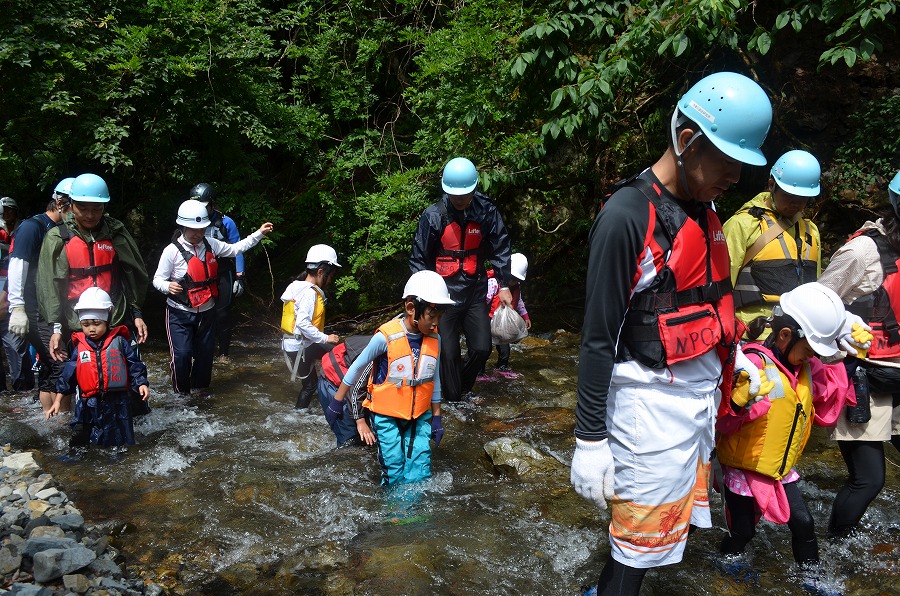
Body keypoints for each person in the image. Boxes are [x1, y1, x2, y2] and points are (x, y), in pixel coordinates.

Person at [570, 72, 775, 595]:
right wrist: (589, 439)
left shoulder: (704, 211)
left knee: (642, 548)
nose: (733, 180)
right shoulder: (625, 217)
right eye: (726, 168)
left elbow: (711, 305)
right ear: (686, 141)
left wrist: (739, 361)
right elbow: (597, 338)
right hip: (647, 413)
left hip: (695, 404)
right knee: (636, 551)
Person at [715, 283, 858, 573]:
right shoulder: (752, 364)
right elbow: (721, 419)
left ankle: (813, 578)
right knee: (743, 530)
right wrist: (739, 403)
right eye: (808, 350)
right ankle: (724, 562)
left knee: (804, 523)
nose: (812, 357)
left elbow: (828, 391)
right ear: (784, 336)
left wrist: (853, 355)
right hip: (745, 467)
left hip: (779, 468)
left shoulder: (803, 366)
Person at [817, 169, 900, 539]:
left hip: (897, 376)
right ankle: (835, 544)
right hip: (863, 379)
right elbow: (817, 305)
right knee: (869, 481)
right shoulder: (862, 251)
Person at [324, 270, 455, 485]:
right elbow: (357, 367)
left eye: (439, 317)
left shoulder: (435, 339)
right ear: (411, 308)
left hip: (419, 416)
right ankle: (394, 514)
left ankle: (417, 514)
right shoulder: (385, 337)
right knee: (394, 468)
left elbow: (435, 380)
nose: (435, 323)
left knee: (420, 469)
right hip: (386, 417)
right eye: (432, 316)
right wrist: (337, 402)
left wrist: (437, 417)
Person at [409, 156, 513, 402]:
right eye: (455, 195)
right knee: (448, 353)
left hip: (474, 291)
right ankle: (454, 396)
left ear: (474, 189)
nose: (460, 199)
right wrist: (420, 298)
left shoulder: (487, 211)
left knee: (481, 348)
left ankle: (461, 389)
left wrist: (504, 284)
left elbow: (501, 247)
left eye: (464, 195)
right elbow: (418, 258)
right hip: (442, 296)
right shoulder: (433, 216)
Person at [153, 200, 273, 396]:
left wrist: (259, 233)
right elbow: (157, 279)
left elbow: (236, 249)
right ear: (183, 226)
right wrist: (167, 286)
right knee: (182, 355)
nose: (197, 234)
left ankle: (200, 392)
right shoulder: (171, 251)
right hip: (179, 312)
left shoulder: (212, 245)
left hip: (207, 311)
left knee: (205, 355)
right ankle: (181, 395)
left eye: (201, 229)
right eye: (193, 229)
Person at [37, 173, 150, 363]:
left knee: (122, 377)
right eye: (82, 208)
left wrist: (137, 314)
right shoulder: (57, 238)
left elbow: (133, 274)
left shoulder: (116, 233)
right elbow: (50, 285)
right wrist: (55, 329)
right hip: (75, 321)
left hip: (115, 317)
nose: (90, 215)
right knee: (76, 378)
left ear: (104, 207)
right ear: (71, 205)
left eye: (97, 209)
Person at [724, 150, 823, 336]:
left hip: (797, 338)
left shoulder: (811, 231)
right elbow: (719, 285)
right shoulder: (743, 225)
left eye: (802, 199)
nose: (795, 204)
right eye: (789, 196)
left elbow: (815, 289)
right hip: (752, 335)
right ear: (772, 185)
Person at [7, 178, 74, 414]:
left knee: (50, 364)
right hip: (35, 309)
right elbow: (17, 266)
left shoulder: (63, 230)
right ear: (60, 202)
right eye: (75, 206)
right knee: (61, 364)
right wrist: (17, 308)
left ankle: (52, 425)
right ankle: (62, 423)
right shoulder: (32, 227)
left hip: (54, 308)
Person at [53, 287, 149, 448]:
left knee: (120, 438)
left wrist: (142, 383)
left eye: (97, 323)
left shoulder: (119, 342)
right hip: (89, 402)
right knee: (88, 438)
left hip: (118, 401)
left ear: (107, 320)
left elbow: (134, 364)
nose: (91, 328)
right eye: (85, 324)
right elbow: (68, 375)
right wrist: (57, 400)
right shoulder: (80, 347)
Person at [189, 183, 245, 363]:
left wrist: (240, 276)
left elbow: (237, 249)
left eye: (204, 206)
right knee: (201, 312)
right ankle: (199, 350)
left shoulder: (226, 222)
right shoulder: (189, 222)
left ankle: (223, 353)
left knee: (221, 313)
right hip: (200, 272)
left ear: (212, 204)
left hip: (222, 271)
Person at [280, 244, 341, 410]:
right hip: (300, 346)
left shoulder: (296, 286)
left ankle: (300, 414)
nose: (330, 280)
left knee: (310, 384)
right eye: (330, 276)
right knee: (340, 352)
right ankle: (341, 396)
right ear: (321, 272)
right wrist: (326, 338)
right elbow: (302, 323)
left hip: (293, 344)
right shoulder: (309, 292)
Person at [317, 336, 374, 447]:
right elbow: (355, 386)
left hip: (350, 379)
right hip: (334, 382)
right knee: (351, 440)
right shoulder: (381, 350)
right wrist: (360, 420)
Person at [483, 252, 531, 377]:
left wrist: (525, 316)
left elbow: (519, 302)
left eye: (517, 280)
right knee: (484, 348)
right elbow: (485, 301)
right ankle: (478, 372)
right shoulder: (494, 282)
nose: (514, 282)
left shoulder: (516, 288)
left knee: (504, 349)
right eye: (512, 278)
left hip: (503, 324)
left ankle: (501, 368)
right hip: (489, 320)